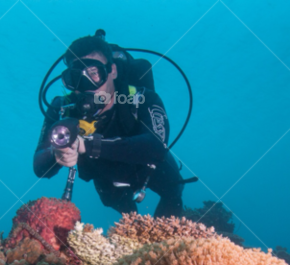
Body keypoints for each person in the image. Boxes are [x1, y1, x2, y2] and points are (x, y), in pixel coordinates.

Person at [33, 34, 186, 218]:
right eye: (76, 77)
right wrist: (56, 154)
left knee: (173, 190)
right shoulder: (62, 108)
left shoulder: (142, 99)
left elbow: (156, 147)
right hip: (107, 179)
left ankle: (168, 242)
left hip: (148, 169)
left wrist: (86, 145)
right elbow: (39, 167)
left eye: (94, 73)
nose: (86, 87)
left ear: (112, 70)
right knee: (127, 215)